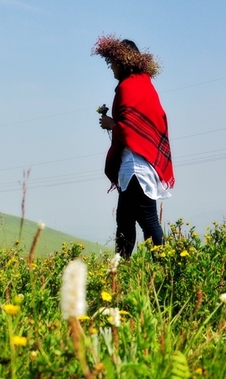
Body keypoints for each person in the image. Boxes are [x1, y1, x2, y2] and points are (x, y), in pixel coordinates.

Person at [93, 36, 174, 258]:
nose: (112, 69)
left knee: (147, 219)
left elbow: (129, 129)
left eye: (113, 64)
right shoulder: (145, 84)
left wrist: (111, 124)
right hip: (142, 163)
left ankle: (164, 264)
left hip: (135, 166)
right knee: (124, 220)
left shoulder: (128, 87)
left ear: (122, 62)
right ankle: (121, 269)